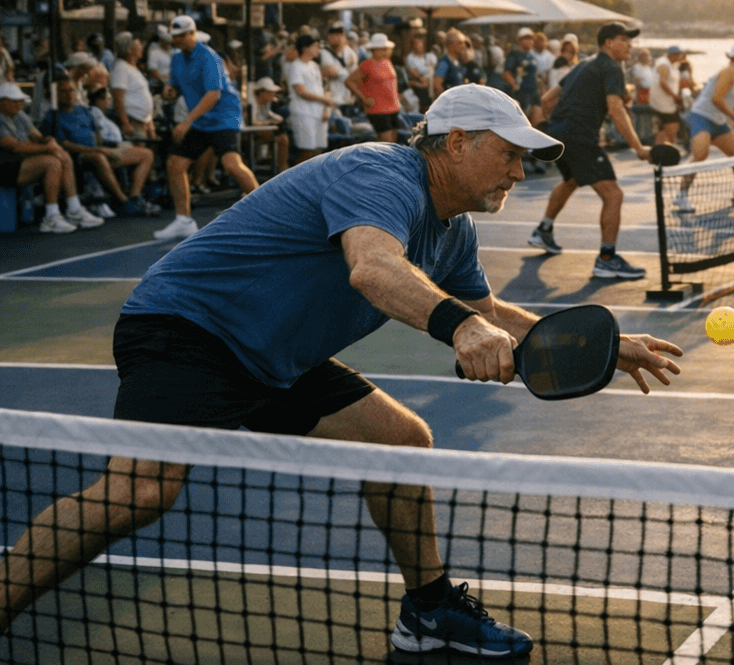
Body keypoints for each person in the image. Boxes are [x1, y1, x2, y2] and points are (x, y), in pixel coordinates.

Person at [0, 85, 685, 658]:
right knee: (139, 493)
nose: (518, 170)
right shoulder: (380, 172)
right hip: (192, 327)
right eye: (507, 154)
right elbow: (373, 267)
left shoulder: (456, 229)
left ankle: (427, 613)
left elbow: (490, 309)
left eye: (524, 159)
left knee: (402, 444)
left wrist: (605, 344)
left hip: (274, 354)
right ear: (453, 142)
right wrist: (462, 328)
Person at [529, 22, 653, 280]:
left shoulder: (583, 64)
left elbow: (547, 100)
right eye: (624, 39)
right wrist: (639, 147)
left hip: (557, 133)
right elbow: (616, 109)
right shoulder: (611, 67)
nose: (629, 45)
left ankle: (543, 230)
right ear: (609, 42)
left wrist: (555, 123)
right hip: (579, 138)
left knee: (571, 180)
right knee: (613, 195)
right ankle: (607, 259)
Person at [153, 16, 259, 241]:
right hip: (201, 120)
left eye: (182, 35)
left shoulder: (209, 57)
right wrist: (170, 91)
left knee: (231, 165)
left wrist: (187, 121)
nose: (178, 40)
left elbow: (213, 94)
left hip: (223, 117)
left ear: (192, 33)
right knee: (175, 164)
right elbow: (175, 85)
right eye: (175, 37)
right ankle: (184, 220)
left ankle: (268, 211)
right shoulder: (177, 59)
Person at [0, 81, 103, 233]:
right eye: (14, 101)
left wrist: (49, 141)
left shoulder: (19, 115)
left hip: (18, 164)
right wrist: (47, 147)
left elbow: (36, 136)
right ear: (2, 101)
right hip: (4, 167)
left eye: (20, 101)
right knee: (51, 162)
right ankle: (51, 217)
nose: (19, 104)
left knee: (62, 156)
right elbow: (14, 146)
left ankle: (74, 210)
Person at [672, 43, 734, 213]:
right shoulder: (729, 72)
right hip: (702, 117)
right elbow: (717, 99)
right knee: (700, 155)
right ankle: (681, 196)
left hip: (718, 122)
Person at [50, 84, 155, 217]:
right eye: (63, 91)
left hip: (100, 150)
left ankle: (134, 197)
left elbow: (98, 137)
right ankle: (124, 201)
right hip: (78, 156)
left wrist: (112, 147)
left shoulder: (84, 111)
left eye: (71, 90)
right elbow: (64, 145)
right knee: (98, 156)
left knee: (146, 154)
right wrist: (99, 150)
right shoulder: (54, 116)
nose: (69, 94)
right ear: (56, 94)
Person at [285, 34, 334, 164]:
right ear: (306, 48)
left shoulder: (314, 65)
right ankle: (295, 179)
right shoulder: (295, 66)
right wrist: (324, 100)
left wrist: (326, 109)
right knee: (307, 151)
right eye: (315, 46)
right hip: (303, 113)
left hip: (319, 113)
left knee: (318, 150)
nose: (318, 49)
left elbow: (324, 88)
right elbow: (301, 91)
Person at [348, 34, 402, 143]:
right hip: (378, 109)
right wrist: (364, 98)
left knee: (394, 142)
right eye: (382, 49)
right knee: (386, 142)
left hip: (393, 107)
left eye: (386, 48)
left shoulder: (387, 62)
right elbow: (349, 81)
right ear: (374, 49)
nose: (385, 51)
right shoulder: (366, 65)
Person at [109, 32, 156, 141]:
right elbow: (118, 98)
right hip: (132, 123)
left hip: (143, 123)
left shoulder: (133, 69)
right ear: (129, 49)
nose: (141, 47)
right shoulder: (121, 68)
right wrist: (125, 123)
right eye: (138, 44)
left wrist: (149, 122)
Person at [247, 77, 290, 174]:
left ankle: (283, 168)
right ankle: (282, 169)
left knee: (283, 136)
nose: (274, 94)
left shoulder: (266, 103)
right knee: (283, 139)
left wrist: (274, 120)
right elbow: (253, 122)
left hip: (262, 130)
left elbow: (274, 116)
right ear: (262, 92)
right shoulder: (252, 103)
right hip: (251, 133)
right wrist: (270, 122)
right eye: (270, 92)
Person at [319, 23, 359, 115]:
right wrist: (347, 66)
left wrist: (353, 96)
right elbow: (330, 71)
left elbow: (355, 77)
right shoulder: (324, 52)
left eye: (339, 35)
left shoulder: (350, 52)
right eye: (331, 35)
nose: (334, 37)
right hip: (329, 102)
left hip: (346, 101)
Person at [651, 46, 685, 147]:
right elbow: (662, 82)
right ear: (672, 55)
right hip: (664, 103)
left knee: (668, 130)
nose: (680, 57)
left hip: (666, 103)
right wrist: (675, 96)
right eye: (678, 55)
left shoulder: (671, 65)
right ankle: (663, 151)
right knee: (672, 128)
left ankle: (663, 152)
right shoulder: (664, 65)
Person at [404, 34, 436, 110]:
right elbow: (413, 72)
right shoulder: (410, 57)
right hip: (419, 81)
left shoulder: (429, 56)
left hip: (430, 81)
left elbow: (434, 68)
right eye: (416, 44)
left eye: (420, 44)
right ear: (413, 46)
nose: (419, 46)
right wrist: (423, 80)